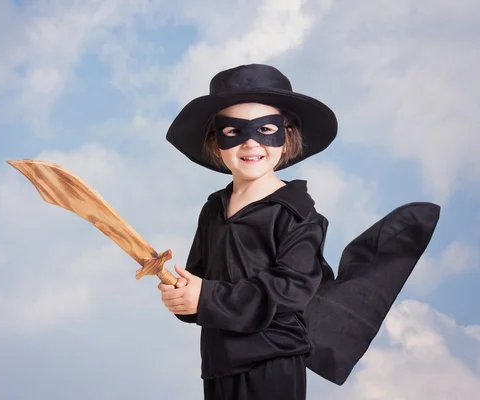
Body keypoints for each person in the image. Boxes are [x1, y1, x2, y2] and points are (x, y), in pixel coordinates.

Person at [158, 63, 441, 400]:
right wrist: (183, 296)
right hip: (219, 361)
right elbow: (201, 279)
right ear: (215, 140)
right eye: (233, 131)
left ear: (287, 135)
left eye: (265, 129)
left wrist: (206, 297)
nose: (250, 144)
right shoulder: (213, 209)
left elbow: (287, 290)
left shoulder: (298, 215)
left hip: (272, 360)